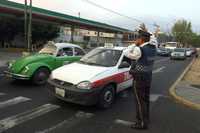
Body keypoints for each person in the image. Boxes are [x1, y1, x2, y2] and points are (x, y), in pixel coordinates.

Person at [124, 24, 156, 130]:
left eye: (138, 38)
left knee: (139, 101)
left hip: (139, 79)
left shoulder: (139, 49)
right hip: (148, 77)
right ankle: (146, 118)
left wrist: (134, 45)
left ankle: (142, 123)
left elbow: (126, 53)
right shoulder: (154, 47)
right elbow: (154, 39)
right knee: (145, 100)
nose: (137, 39)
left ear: (141, 39)